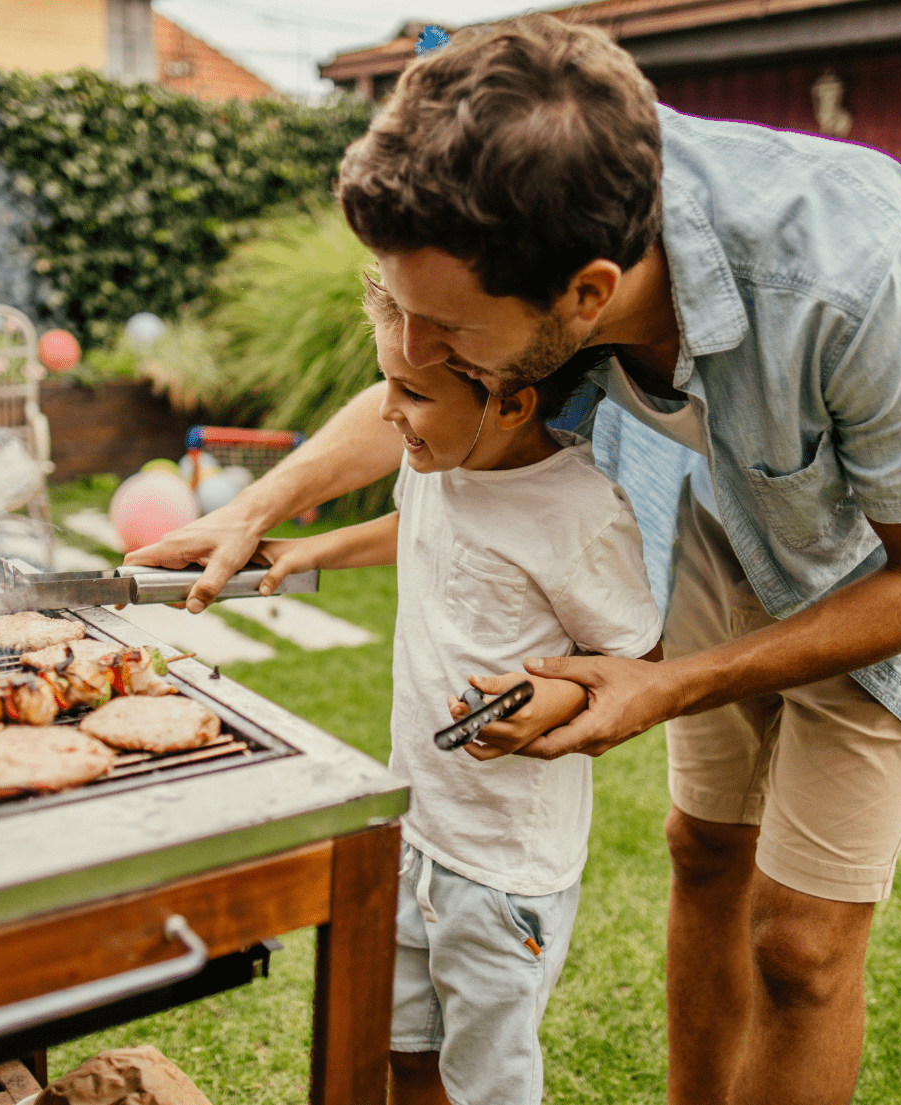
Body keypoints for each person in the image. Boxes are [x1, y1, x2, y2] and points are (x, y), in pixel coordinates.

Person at [129, 14, 901, 1104]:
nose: (411, 353)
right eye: (400, 312)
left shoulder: (850, 270)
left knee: (800, 945)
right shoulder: (528, 215)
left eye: (443, 329)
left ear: (588, 296)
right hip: (718, 521)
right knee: (702, 850)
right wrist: (257, 505)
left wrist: (669, 681)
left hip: (886, 566)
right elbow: (428, 390)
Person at [255, 274, 660, 1105]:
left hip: (503, 868)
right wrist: (317, 548)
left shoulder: (581, 513)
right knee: (405, 1049)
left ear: (510, 402)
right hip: (415, 825)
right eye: (387, 383)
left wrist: (553, 702)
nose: (389, 410)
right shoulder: (438, 460)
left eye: (410, 391)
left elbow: (636, 661)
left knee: (486, 1085)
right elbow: (419, 528)